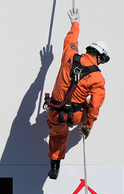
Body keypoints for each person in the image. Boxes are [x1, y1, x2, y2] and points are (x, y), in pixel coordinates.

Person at [45, 8, 109, 180]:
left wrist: (75, 23)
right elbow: (96, 105)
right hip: (75, 116)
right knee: (90, 103)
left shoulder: (69, 54)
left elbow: (71, 39)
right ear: (100, 57)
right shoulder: (98, 78)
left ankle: (54, 165)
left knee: (58, 133)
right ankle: (57, 158)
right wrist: (88, 126)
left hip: (54, 111)